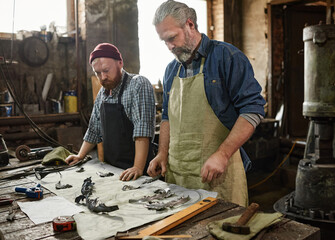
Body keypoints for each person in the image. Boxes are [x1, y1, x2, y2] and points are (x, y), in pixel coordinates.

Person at [147, 0, 266, 206]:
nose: (170, 47)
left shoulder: (226, 57)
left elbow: (253, 110)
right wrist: (162, 154)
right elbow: (167, 117)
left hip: (218, 176)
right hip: (179, 177)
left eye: (172, 38)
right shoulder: (170, 70)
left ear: (190, 25)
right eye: (164, 41)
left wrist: (223, 154)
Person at [65, 43, 156, 181]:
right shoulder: (103, 93)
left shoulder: (138, 84)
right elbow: (94, 129)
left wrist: (137, 167)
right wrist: (80, 156)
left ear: (120, 63)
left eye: (106, 70)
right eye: (98, 73)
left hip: (138, 172)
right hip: (113, 170)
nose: (103, 77)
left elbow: (142, 130)